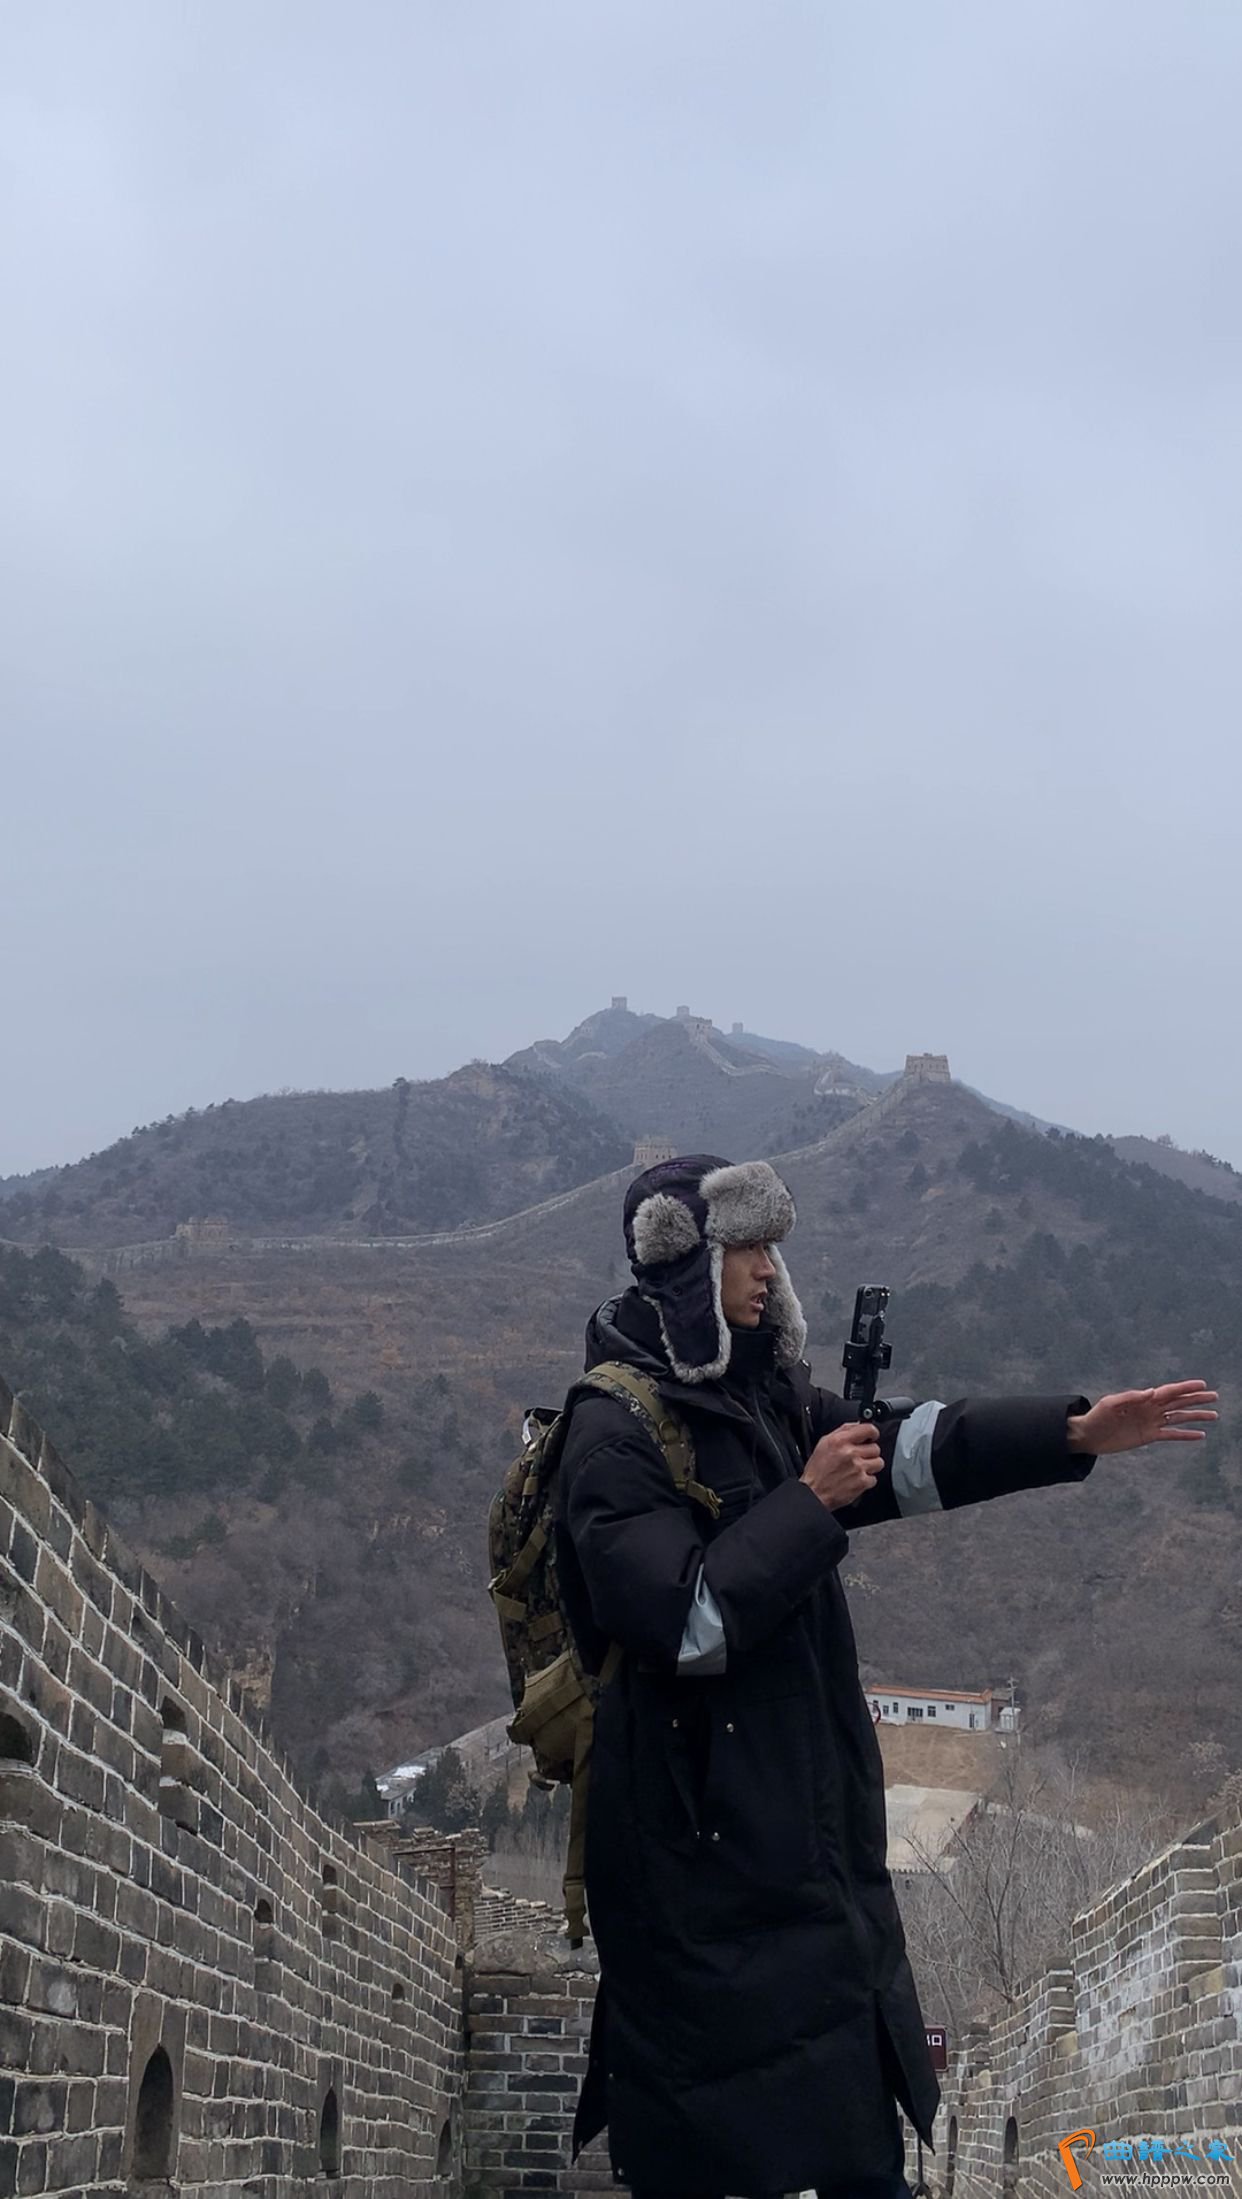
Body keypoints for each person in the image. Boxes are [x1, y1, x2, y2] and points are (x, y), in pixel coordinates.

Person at [554, 1153, 1217, 2199]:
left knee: (846, 2129)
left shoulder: (760, 1398)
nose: (768, 1270)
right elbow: (681, 1625)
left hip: (802, 1840)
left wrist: (1070, 1432)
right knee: (720, 2140)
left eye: (771, 1248)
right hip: (699, 1856)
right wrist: (809, 1502)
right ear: (685, 1267)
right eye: (745, 1248)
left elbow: (907, 1452)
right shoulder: (614, 1431)